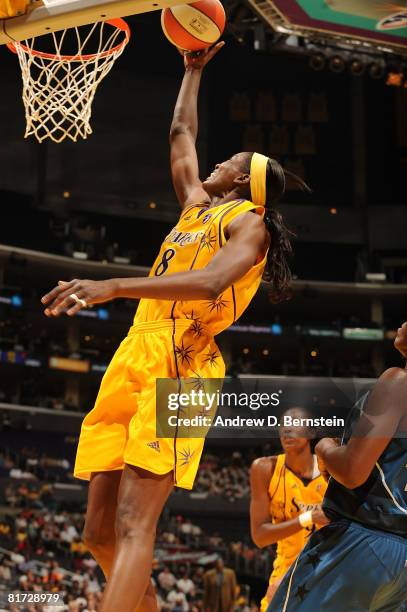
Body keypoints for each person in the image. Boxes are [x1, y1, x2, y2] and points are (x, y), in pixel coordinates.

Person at [41, 43, 309, 612]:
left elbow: (211, 284)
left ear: (242, 182)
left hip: (185, 361)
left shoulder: (250, 226)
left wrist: (112, 285)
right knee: (97, 533)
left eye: (228, 162)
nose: (215, 164)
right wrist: (192, 71)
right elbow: (179, 134)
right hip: (137, 350)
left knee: (137, 522)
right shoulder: (195, 208)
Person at [269, 323, 407, 611]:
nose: (402, 323)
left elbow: (353, 471)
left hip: (361, 541)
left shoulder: (398, 381)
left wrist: (325, 447)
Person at [250, 407, 329, 610]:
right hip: (285, 568)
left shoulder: (330, 468)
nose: (287, 429)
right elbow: (259, 536)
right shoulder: (265, 468)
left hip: (328, 566)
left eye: (294, 423)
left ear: (311, 432)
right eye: (283, 425)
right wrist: (308, 518)